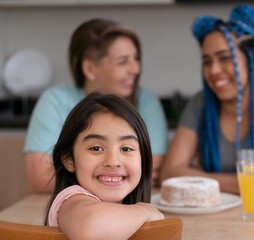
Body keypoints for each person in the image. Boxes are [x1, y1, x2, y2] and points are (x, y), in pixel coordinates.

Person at [160, 4, 254, 195]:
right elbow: (169, 173)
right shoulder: (200, 103)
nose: (214, 70)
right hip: (214, 214)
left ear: (253, 57)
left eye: (225, 58)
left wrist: (198, 178)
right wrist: (239, 182)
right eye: (207, 61)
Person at [24, 18, 168, 192]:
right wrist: (108, 184)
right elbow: (40, 178)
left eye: (136, 58)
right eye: (123, 61)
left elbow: (149, 170)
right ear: (90, 69)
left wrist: (91, 175)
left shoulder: (147, 100)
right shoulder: (55, 100)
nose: (135, 69)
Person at [44, 92, 164, 240]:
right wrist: (144, 211)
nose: (113, 162)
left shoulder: (127, 216)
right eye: (96, 148)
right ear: (69, 160)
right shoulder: (71, 199)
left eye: (126, 149)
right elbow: (88, 229)